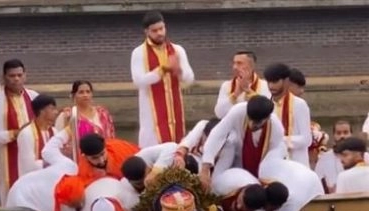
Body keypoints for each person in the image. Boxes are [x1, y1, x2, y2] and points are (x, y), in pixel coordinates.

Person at [131, 11, 194, 148]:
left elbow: (189, 79)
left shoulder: (177, 50)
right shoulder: (138, 53)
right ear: (146, 32)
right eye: (155, 30)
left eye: (162, 28)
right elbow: (138, 81)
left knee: (177, 151)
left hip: (175, 112)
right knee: (153, 153)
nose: (160, 33)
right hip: (151, 116)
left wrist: (179, 72)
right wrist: (162, 70)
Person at [0, 58, 39, 205]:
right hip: (10, 156)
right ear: (4, 77)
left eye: (19, 75)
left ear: (25, 75)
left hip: (34, 155)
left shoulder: (34, 97)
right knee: (12, 196)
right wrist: (14, 134)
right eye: (12, 76)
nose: (16, 79)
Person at [200, 95, 286, 186]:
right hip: (238, 163)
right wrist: (205, 168)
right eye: (250, 119)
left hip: (263, 166)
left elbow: (273, 158)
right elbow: (218, 134)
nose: (251, 125)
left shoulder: (277, 129)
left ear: (268, 118)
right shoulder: (238, 111)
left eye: (257, 122)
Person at [264, 63, 312, 166]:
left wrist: (278, 141)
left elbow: (306, 139)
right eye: (269, 82)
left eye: (275, 81)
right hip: (273, 164)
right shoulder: (266, 105)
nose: (271, 86)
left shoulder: (299, 104)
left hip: (296, 165)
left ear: (286, 81)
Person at [54, 80, 116, 156]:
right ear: (74, 95)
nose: (85, 95)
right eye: (81, 92)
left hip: (103, 158)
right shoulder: (67, 116)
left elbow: (112, 137)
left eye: (88, 92)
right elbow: (57, 142)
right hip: (77, 159)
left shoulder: (103, 113)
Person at [214, 51, 271, 118]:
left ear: (252, 66)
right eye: (234, 63)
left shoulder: (265, 85)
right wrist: (235, 95)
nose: (235, 67)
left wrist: (248, 91)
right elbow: (219, 114)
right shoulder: (226, 86)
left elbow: (268, 111)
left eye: (239, 63)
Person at [17, 94, 58, 176]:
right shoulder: (26, 133)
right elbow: (28, 165)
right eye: (52, 109)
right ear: (41, 111)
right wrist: (55, 161)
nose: (56, 112)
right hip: (32, 181)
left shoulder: (54, 131)